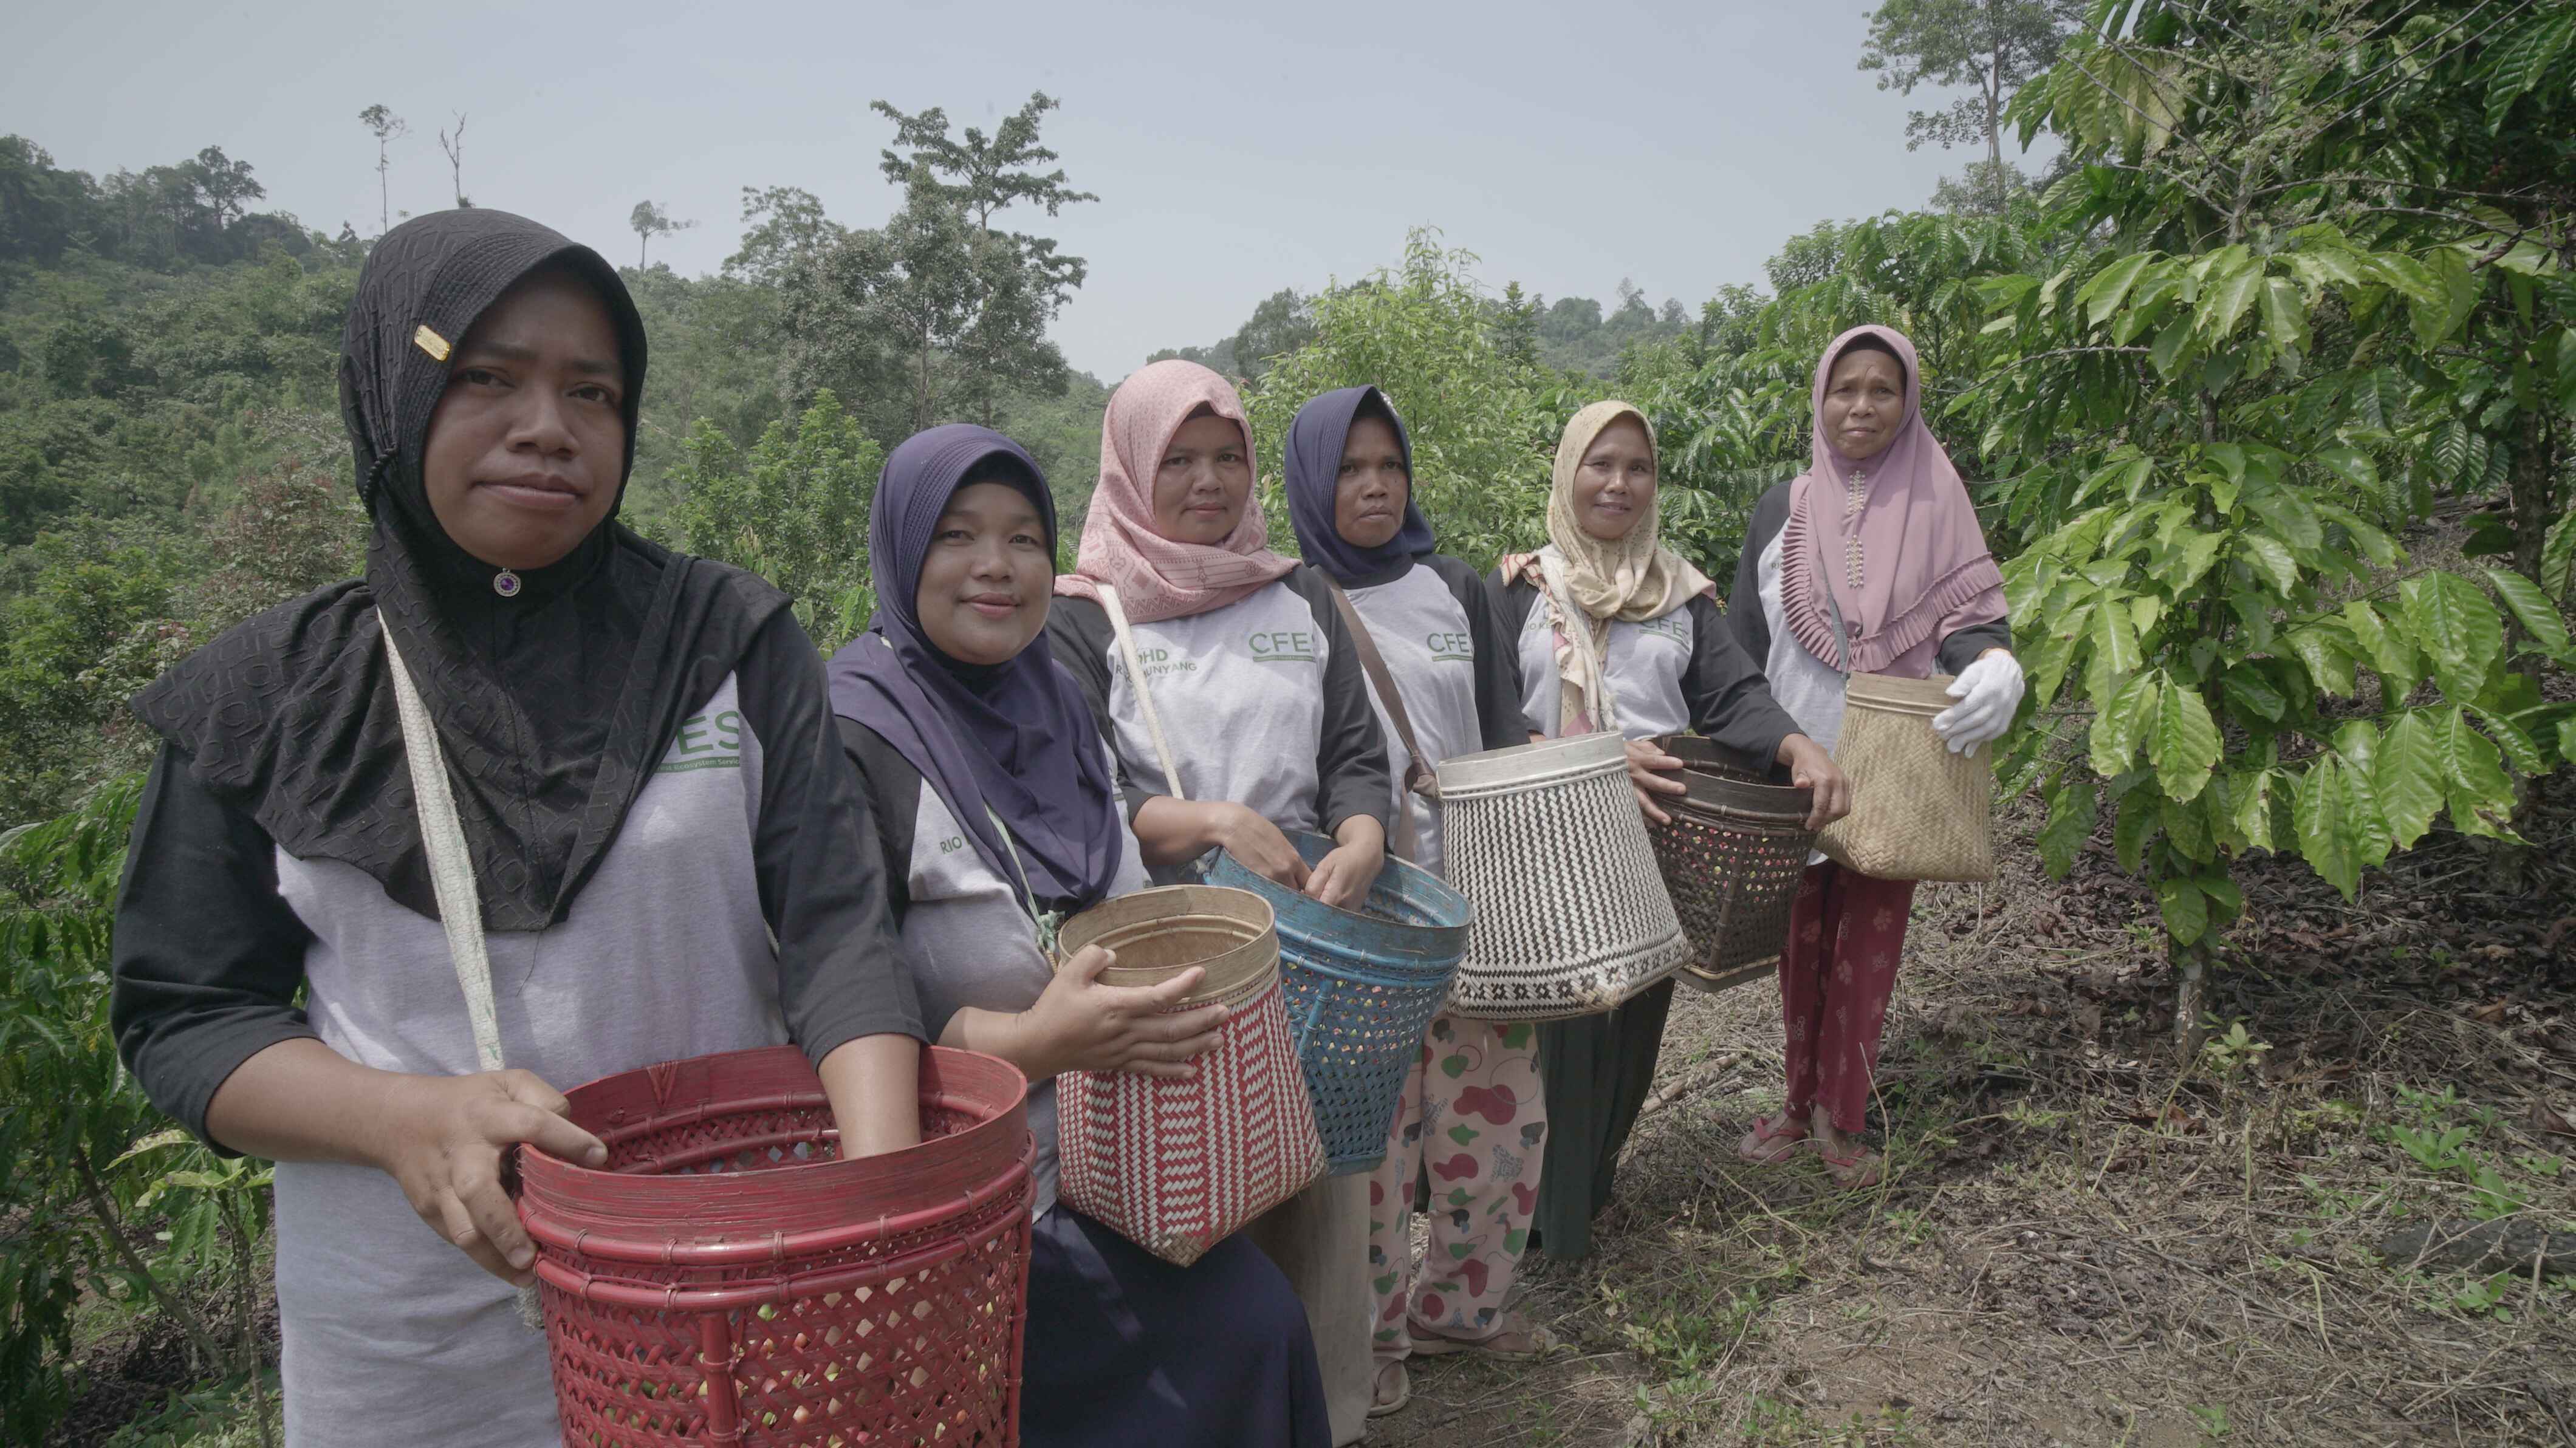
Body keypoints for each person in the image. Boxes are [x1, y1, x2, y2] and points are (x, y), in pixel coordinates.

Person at [108, 210, 925, 1446]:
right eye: (485, 377)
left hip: (726, 1303)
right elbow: (185, 1012)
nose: (548, 427)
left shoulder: (724, 644)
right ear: (395, 391)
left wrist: (873, 1219)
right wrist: (403, 1121)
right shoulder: (268, 697)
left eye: (591, 391)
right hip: (413, 1351)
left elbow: (835, 933)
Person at [829, 423, 1329, 1447]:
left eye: (1022, 537)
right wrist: (1029, 1045)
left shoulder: (1058, 698)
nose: (996, 567)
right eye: (958, 536)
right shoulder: (858, 734)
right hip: (975, 1204)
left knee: (1264, 1329)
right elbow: (828, 999)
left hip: (1126, 1168)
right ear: (900, 550)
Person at [1047, 358, 1391, 1445]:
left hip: (1307, 943)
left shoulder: (1297, 596)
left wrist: (1365, 834)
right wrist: (1204, 822)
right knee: (1184, 1193)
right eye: (1178, 461)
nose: (1209, 482)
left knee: (1317, 1185)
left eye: (1229, 457)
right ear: (1128, 471)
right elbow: (1071, 798)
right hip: (1170, 953)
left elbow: (1353, 753)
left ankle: (1330, 1414)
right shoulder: (1084, 617)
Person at [1493, 400, 1851, 1262]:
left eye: (1638, 468)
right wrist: (1585, 757)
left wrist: (1799, 745)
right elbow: (1488, 714)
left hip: (1658, 844)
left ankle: (1587, 1192)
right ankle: (1546, 1224)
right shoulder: (1517, 587)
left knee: (1630, 1033)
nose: (1619, 483)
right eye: (1601, 464)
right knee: (1557, 1030)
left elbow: (1733, 695)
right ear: (1568, 470)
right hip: (1547, 838)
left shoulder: (1680, 594)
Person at [1280, 385, 1550, 1419]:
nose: (1375, 485)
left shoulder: (1455, 589)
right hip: (1362, 927)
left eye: (1390, 466)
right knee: (1377, 1155)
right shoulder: (1292, 598)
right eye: (1350, 469)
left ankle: (1465, 1313)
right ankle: (1377, 1337)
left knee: (1497, 1127)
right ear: (1312, 481)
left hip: (1476, 908)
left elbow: (1495, 731)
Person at [1726, 325, 2019, 1189]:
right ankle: (1793, 1101)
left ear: (1909, 402)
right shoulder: (1781, 508)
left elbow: (1972, 616)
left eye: (1882, 389)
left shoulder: (1938, 499)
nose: (1861, 405)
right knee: (1799, 939)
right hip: (1798, 754)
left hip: (1894, 761)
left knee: (1868, 942)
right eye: (1844, 388)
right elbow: (1744, 641)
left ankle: (1841, 1119)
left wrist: (1995, 661)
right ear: (1819, 399)